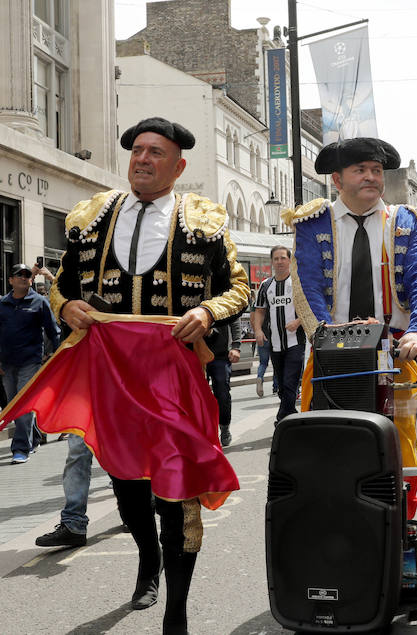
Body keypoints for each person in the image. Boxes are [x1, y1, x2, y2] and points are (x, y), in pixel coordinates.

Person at [48, 116, 250, 635]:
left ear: (178, 165)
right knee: (126, 484)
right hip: (111, 373)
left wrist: (207, 313)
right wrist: (65, 305)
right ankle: (146, 558)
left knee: (176, 490)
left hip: (173, 373)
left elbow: (239, 287)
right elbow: (62, 282)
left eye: (155, 152)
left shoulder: (202, 220)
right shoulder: (95, 215)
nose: (142, 159)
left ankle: (176, 615)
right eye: (138, 150)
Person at [288, 137, 417, 520]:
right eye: (361, 170)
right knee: (325, 445)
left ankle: (400, 530)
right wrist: (328, 337)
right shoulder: (312, 222)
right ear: (337, 179)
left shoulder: (404, 221)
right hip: (329, 357)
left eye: (376, 171)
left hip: (394, 353)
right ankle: (335, 530)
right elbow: (306, 284)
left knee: (401, 446)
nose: (372, 177)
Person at [1, 263, 60, 463]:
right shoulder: (2, 304)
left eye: (27, 275)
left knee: (22, 405)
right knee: (12, 404)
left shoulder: (40, 302)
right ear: (10, 280)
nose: (23, 278)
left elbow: (53, 331)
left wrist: (55, 355)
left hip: (31, 361)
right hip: (7, 363)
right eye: (18, 275)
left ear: (31, 279)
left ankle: (20, 448)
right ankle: (33, 437)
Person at [251, 246, 302, 423]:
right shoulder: (266, 286)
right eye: (276, 259)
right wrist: (257, 330)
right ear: (272, 262)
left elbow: (309, 307)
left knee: (290, 382)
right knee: (281, 386)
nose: (279, 262)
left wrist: (297, 322)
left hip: (296, 343)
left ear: (289, 260)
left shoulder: (297, 282)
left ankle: (282, 418)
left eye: (283, 258)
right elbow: (259, 311)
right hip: (274, 343)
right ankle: (290, 416)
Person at [205, 319, 242, 446]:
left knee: (222, 393)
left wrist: (236, 346)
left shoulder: (223, 298)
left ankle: (224, 426)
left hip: (220, 355)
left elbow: (235, 320)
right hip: (195, 352)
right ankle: (205, 432)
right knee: (198, 395)